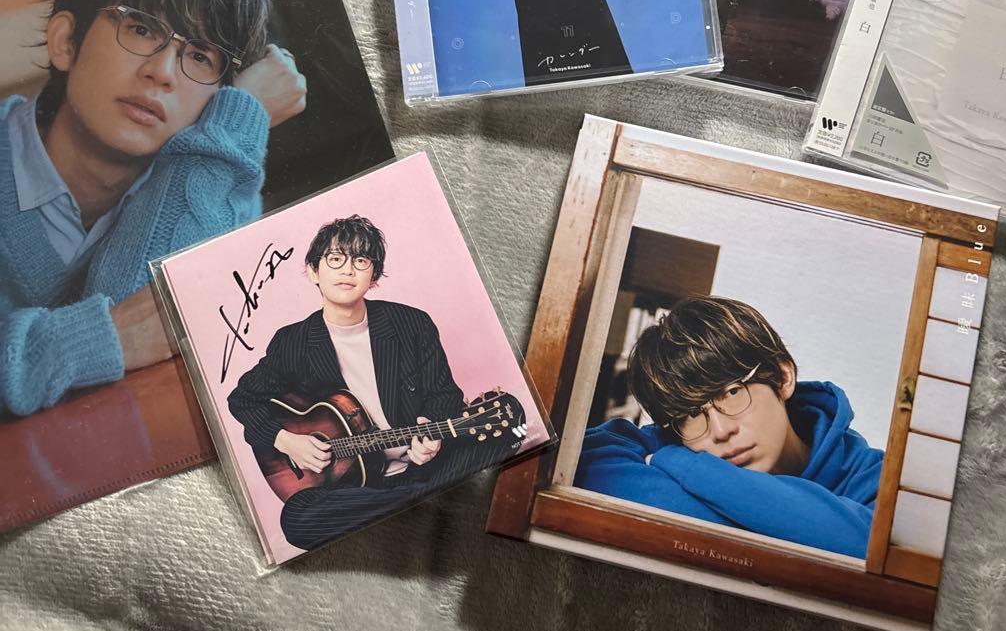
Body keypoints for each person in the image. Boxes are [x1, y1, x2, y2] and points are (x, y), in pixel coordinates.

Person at [0, 0, 307, 416]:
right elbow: (129, 334)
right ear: (66, 42)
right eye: (141, 29)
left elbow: (141, 353)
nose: (162, 72)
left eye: (200, 56)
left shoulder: (216, 183)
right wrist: (104, 338)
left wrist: (235, 124)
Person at [227, 215, 519, 551]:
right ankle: (421, 501)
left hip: (422, 467)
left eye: (361, 261)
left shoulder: (411, 324)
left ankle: (408, 503)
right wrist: (286, 441)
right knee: (297, 520)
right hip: (353, 487)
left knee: (511, 424)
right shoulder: (293, 342)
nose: (348, 270)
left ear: (374, 276)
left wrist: (432, 435)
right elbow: (243, 400)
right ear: (313, 271)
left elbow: (445, 396)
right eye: (335, 259)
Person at [574, 297, 883, 558]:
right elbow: (577, 463)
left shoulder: (875, 477)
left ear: (783, 378)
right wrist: (804, 527)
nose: (720, 431)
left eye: (732, 392)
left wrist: (684, 465)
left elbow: (865, 549)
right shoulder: (657, 442)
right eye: (691, 413)